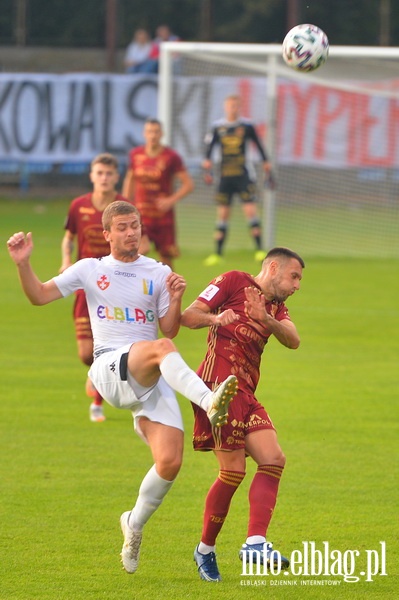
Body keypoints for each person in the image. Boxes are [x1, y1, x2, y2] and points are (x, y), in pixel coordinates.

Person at [7, 200, 238, 575]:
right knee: (163, 351)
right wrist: (23, 264)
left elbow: (169, 327)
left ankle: (133, 524)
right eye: (124, 227)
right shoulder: (90, 269)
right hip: (109, 366)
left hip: (146, 371)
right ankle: (209, 400)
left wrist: (176, 297)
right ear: (107, 233)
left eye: (136, 225)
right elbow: (39, 295)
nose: (132, 232)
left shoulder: (159, 271)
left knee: (170, 461)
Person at [180, 247, 305, 582]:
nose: (297, 285)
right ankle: (205, 549)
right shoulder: (233, 281)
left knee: (274, 459)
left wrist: (265, 318)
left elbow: (293, 340)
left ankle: (255, 542)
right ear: (274, 267)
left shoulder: (276, 308)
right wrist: (215, 318)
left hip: (246, 394)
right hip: (217, 390)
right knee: (233, 471)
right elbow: (188, 315)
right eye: (294, 276)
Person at [59, 153, 130, 423]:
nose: (104, 178)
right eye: (99, 173)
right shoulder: (79, 206)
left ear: (116, 176)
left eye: (109, 173)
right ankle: (94, 376)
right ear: (92, 176)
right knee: (86, 354)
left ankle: (97, 403)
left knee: (109, 348)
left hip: (117, 288)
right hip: (86, 287)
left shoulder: (125, 207)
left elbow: (138, 241)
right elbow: (69, 238)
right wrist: (66, 259)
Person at [202, 94, 275, 266]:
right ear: (225, 107)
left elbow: (258, 144)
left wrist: (266, 161)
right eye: (229, 105)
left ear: (239, 107)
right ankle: (217, 254)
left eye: (235, 105)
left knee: (250, 211)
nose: (232, 109)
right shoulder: (217, 127)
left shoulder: (247, 126)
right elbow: (210, 148)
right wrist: (207, 161)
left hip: (244, 175)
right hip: (225, 176)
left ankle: (259, 251)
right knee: (222, 215)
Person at [122, 118, 194, 269]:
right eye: (149, 132)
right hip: (140, 214)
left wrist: (171, 200)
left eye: (156, 132)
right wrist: (124, 204)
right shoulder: (136, 155)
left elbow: (188, 184)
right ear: (144, 134)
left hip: (163, 217)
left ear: (162, 134)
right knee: (138, 251)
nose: (153, 135)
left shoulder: (171, 157)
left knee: (166, 260)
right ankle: (135, 289)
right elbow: (130, 179)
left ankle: (170, 291)